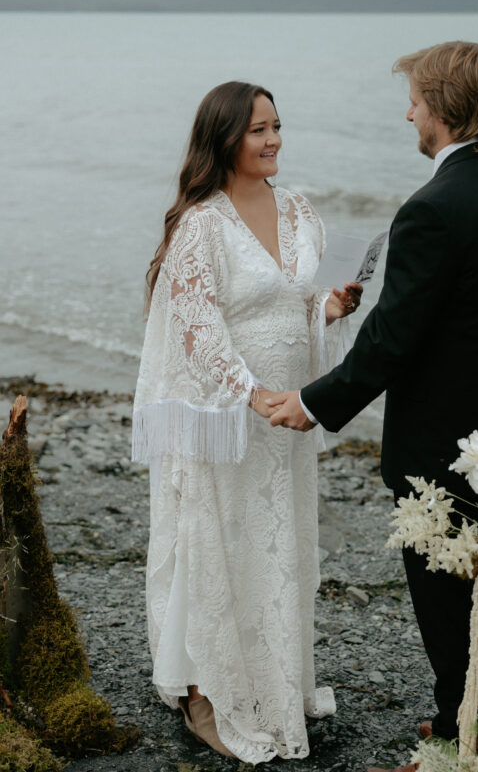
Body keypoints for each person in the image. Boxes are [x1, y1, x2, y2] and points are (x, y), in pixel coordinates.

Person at [267, 41, 478, 772]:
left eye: (416, 102)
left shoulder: (431, 208)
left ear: (443, 109)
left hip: (438, 441)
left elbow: (394, 341)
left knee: (442, 596)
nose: (408, 113)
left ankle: (462, 743)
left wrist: (314, 401)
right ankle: (469, 712)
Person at [132, 80, 361, 764]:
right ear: (225, 138)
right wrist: (249, 392)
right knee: (215, 541)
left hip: (288, 412)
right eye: (258, 129)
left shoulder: (296, 207)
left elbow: (301, 300)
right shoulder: (200, 222)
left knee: (278, 542)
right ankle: (205, 687)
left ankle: (274, 684)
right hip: (226, 414)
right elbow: (197, 325)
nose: (273, 140)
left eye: (277, 126)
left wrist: (332, 308)